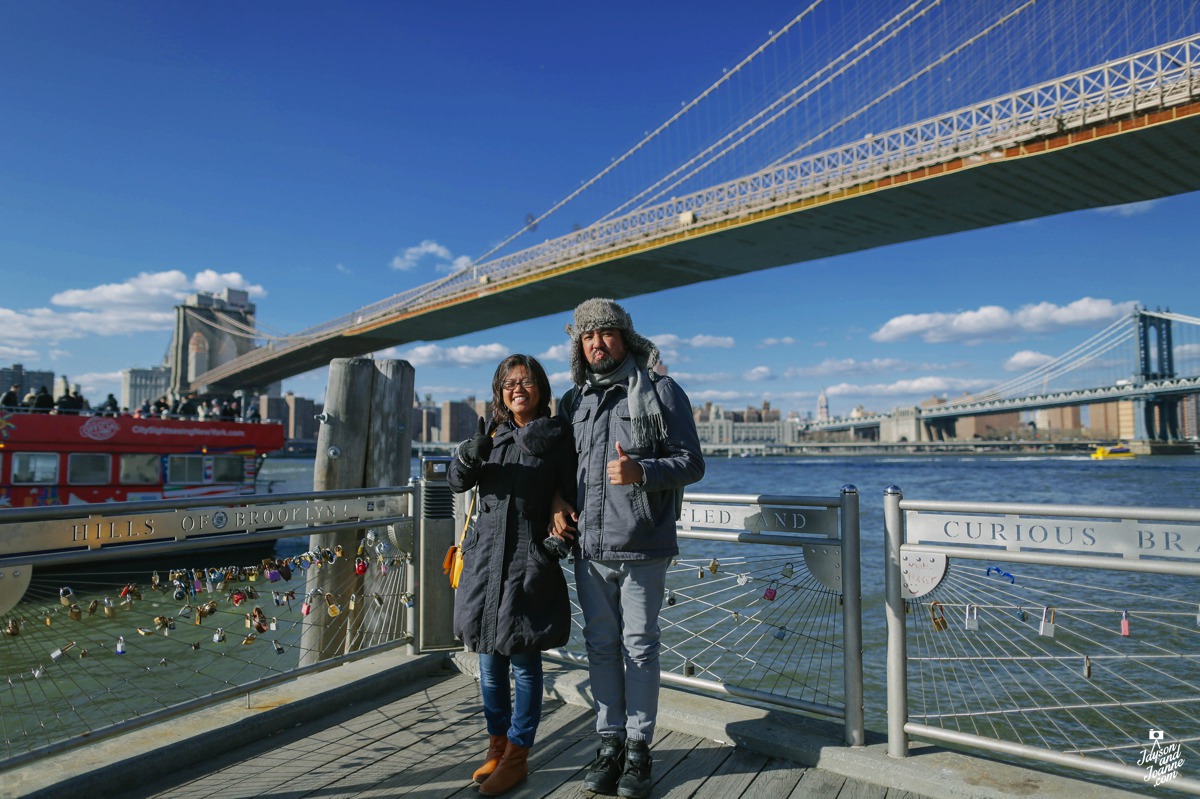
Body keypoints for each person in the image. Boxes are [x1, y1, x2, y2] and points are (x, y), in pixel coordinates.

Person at [550, 298, 705, 799]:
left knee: (639, 648)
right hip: (589, 551)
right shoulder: (574, 402)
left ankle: (639, 751)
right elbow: (561, 469)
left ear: (626, 339)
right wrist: (556, 500)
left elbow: (692, 462)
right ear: (580, 346)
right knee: (598, 647)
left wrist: (644, 471)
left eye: (607, 334)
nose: (598, 343)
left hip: (643, 546)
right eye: (589, 337)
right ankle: (608, 743)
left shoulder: (661, 391)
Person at [448, 354, 576, 796]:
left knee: (523, 660)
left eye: (525, 382)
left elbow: (572, 498)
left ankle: (519, 755)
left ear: (540, 388)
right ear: (500, 392)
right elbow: (457, 482)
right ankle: (496, 746)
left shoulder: (558, 438)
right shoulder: (492, 434)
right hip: (485, 563)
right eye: (508, 383)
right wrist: (466, 457)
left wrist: (555, 542)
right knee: (488, 662)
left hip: (526, 562)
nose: (516, 389)